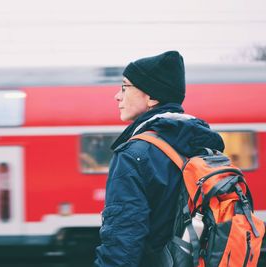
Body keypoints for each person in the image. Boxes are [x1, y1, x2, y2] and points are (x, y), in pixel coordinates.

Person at [94, 51, 225, 266]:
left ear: (152, 97)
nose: (117, 96)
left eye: (125, 87)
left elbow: (122, 242)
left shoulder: (133, 155)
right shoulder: (203, 147)